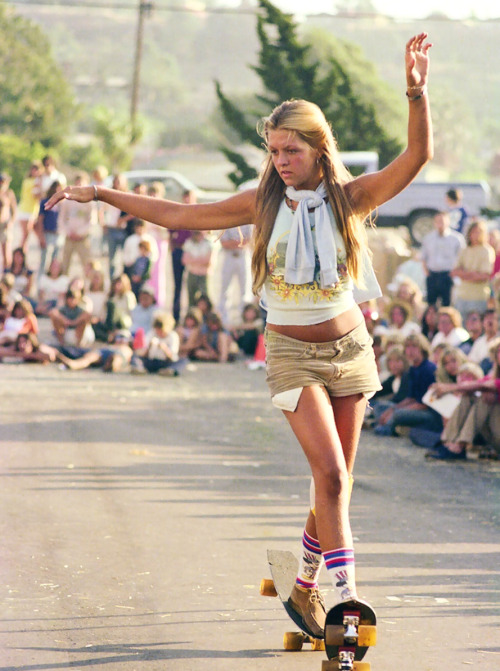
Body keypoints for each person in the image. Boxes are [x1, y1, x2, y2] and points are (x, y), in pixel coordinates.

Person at [47, 34, 433, 636]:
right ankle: (345, 606)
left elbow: (416, 157)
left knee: (337, 486)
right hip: (290, 353)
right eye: (274, 150)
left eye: (291, 149)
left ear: (317, 148)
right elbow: (178, 214)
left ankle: (303, 586)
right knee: (329, 476)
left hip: (351, 349)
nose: (280, 160)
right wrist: (98, 193)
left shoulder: (351, 199)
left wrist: (415, 91)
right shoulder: (262, 204)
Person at [427, 338, 500, 460]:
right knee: (468, 396)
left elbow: (483, 385)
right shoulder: (493, 375)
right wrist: (445, 389)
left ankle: (460, 445)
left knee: (486, 397)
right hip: (491, 431)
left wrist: (449, 387)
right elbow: (475, 385)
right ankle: (447, 441)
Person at [451, 220, 495, 319]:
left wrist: (464, 274)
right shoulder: (464, 250)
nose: (476, 235)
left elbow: (484, 276)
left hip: (478, 297)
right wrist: (473, 274)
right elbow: (454, 272)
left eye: (479, 232)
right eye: (474, 232)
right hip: (462, 296)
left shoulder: (487, 251)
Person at [420, 211, 465, 307]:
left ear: (448, 221)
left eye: (442, 220)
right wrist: (427, 273)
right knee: (431, 305)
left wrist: (455, 273)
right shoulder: (428, 238)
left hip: (448, 275)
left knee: (447, 305)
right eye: (437, 221)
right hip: (432, 275)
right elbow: (423, 257)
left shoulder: (457, 239)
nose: (440, 223)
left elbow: (462, 258)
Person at [58, 173, 96, 276]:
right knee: (65, 264)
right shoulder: (68, 201)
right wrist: (68, 232)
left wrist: (80, 233)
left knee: (87, 264)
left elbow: (92, 220)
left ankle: (88, 286)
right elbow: (62, 218)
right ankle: (64, 285)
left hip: (82, 238)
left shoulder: (90, 202)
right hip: (69, 237)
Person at [168, 189, 197, 323]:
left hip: (193, 251)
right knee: (178, 284)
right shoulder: (178, 211)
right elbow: (170, 231)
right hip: (179, 250)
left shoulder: (198, 212)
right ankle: (176, 315)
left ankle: (194, 316)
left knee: (194, 283)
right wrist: (173, 248)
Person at [217, 224, 253, 327]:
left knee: (245, 290)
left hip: (242, 256)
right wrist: (239, 243)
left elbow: (249, 240)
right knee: (225, 288)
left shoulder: (247, 222)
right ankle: (223, 319)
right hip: (229, 255)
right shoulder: (227, 220)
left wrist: (234, 243)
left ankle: (245, 318)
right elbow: (223, 242)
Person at [36, 180, 64, 277]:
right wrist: (41, 236)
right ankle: (41, 280)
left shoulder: (62, 204)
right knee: (45, 259)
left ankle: (52, 279)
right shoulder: (45, 201)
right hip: (47, 233)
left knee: (55, 260)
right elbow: (40, 220)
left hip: (58, 233)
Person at [182, 230, 213, 308]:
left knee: (204, 300)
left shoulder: (208, 243)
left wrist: (193, 260)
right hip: (192, 274)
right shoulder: (189, 243)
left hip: (203, 275)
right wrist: (201, 260)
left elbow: (208, 262)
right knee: (191, 299)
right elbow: (185, 260)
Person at [17, 162, 42, 251]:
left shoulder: (34, 181)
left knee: (32, 235)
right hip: (26, 210)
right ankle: (20, 254)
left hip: (33, 211)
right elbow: (35, 195)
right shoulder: (31, 181)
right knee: (25, 235)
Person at [0, 172, 17, 271]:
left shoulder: (9, 193)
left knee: (6, 251)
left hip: (4, 224)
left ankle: (7, 273)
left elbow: (14, 210)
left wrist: (10, 222)